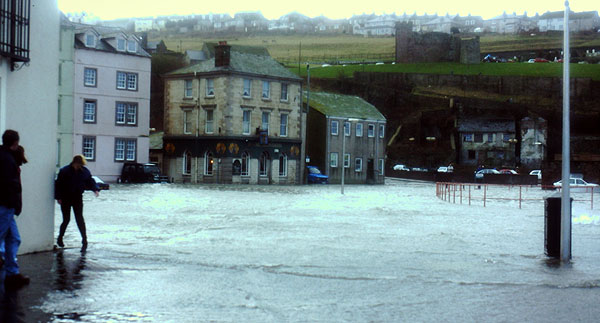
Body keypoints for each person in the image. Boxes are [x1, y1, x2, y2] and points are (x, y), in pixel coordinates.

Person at [0, 130, 30, 290]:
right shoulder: (8, 160)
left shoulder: (5, 157)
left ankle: (12, 273)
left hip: (7, 206)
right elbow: (10, 184)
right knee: (10, 237)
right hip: (6, 205)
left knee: (13, 238)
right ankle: (12, 273)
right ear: (15, 142)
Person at [55, 155, 99, 251]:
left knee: (79, 219)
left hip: (77, 197)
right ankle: (60, 238)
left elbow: (90, 181)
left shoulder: (84, 171)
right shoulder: (64, 171)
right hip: (65, 197)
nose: (80, 167)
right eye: (79, 165)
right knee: (66, 219)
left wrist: (95, 189)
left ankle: (84, 240)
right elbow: (58, 184)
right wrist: (58, 197)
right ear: (75, 163)